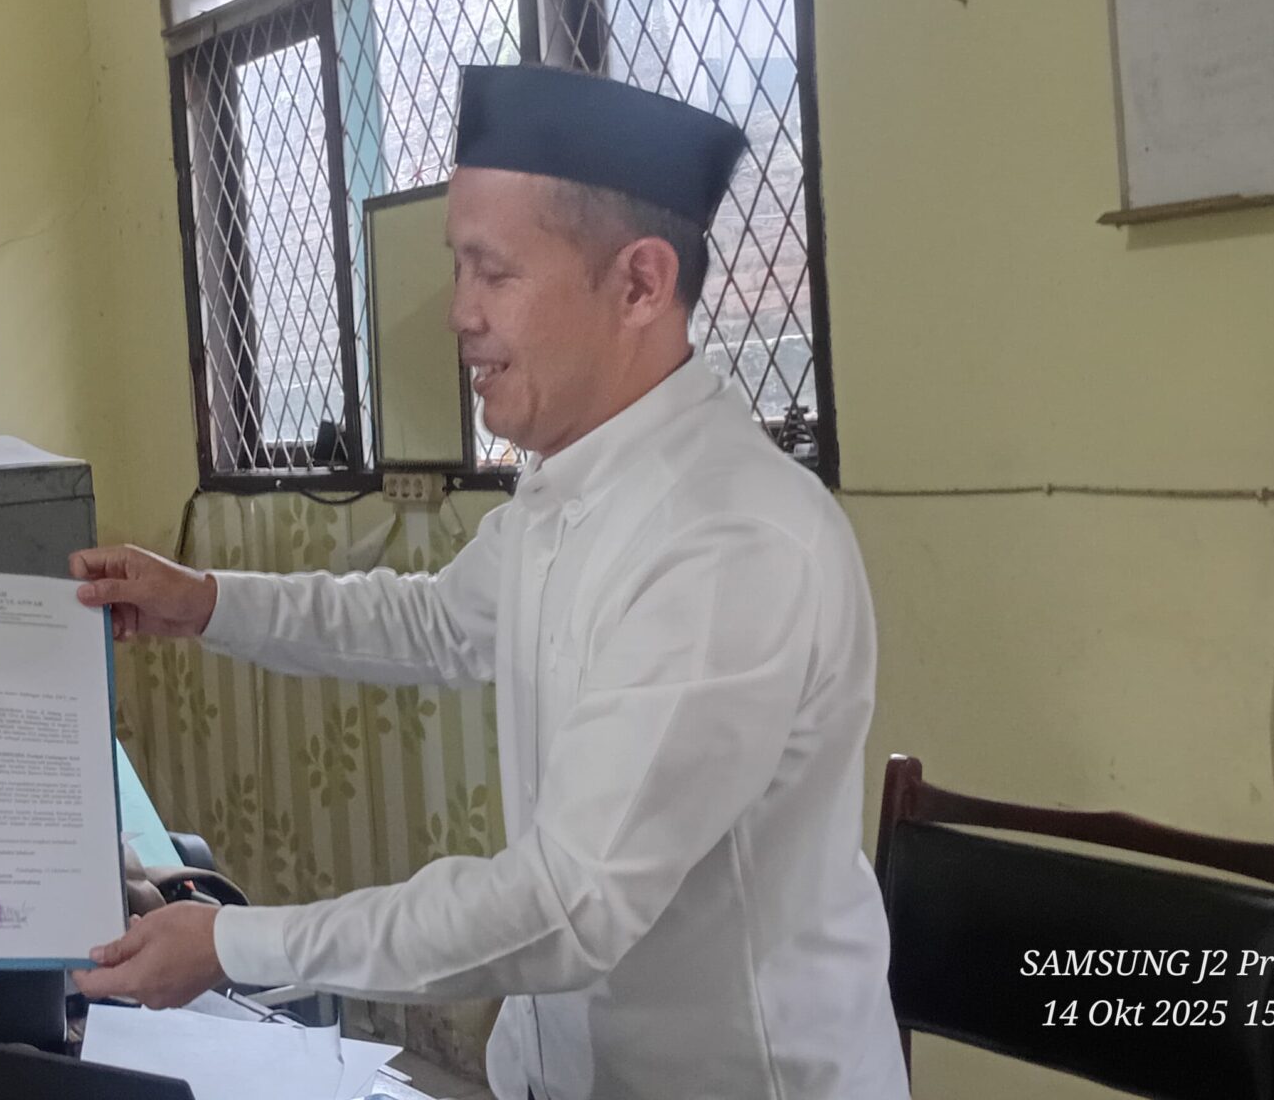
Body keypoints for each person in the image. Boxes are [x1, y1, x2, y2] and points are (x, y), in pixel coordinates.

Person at [67, 64, 906, 1099]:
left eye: (493, 272)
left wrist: (233, 943)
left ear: (639, 285)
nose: (458, 313)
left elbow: (568, 905)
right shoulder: (576, 481)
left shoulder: (730, 540)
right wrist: (202, 601)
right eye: (456, 267)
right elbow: (436, 621)